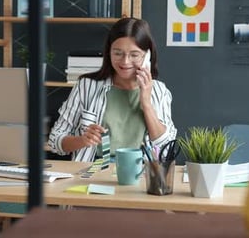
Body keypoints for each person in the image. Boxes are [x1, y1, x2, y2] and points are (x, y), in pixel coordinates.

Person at [48, 17, 177, 162]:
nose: (125, 61)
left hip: (140, 171)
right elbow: (54, 141)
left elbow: (166, 151)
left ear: (147, 56)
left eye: (134, 55)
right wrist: (83, 140)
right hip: (96, 169)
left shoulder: (160, 91)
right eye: (117, 53)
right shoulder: (86, 86)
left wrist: (146, 102)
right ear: (109, 52)